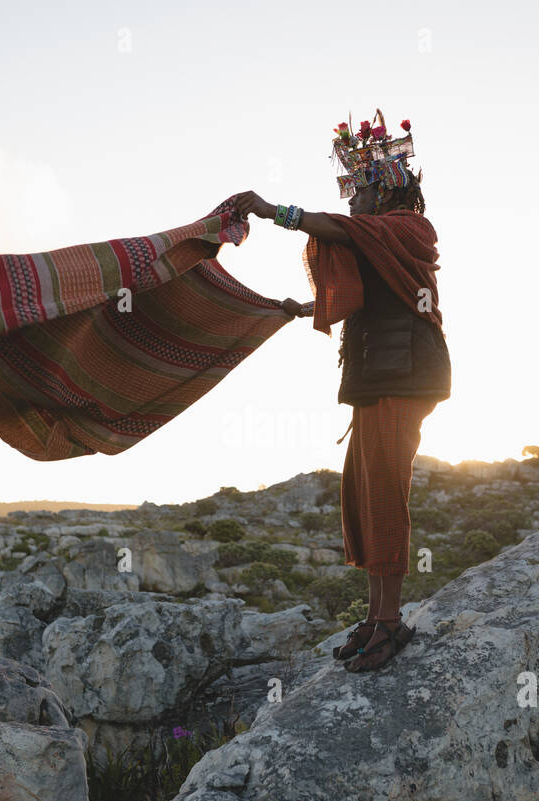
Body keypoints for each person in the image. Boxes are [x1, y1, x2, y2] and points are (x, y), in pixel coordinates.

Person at [232, 111, 451, 673]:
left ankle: (392, 623)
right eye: (349, 192)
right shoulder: (379, 237)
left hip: (402, 379)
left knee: (385, 494)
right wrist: (296, 309)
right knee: (365, 495)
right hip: (376, 379)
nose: (353, 202)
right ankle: (379, 618)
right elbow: (360, 296)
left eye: (360, 190)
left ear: (389, 190)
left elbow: (344, 230)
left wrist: (272, 211)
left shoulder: (408, 229)